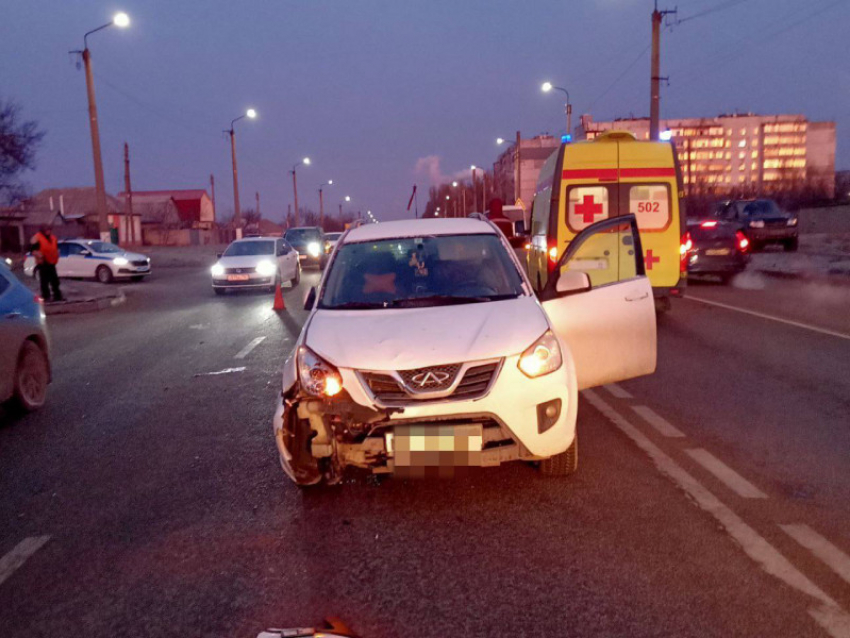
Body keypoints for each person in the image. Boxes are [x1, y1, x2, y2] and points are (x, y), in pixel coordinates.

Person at [30, 225, 62, 302]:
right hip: (43, 263)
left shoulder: (53, 238)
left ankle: (57, 296)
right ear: (42, 231)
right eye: (46, 230)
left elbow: (55, 248)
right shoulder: (36, 238)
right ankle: (46, 296)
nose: (48, 231)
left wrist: (57, 253)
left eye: (49, 230)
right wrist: (39, 255)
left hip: (52, 262)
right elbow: (33, 250)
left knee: (55, 280)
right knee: (44, 281)